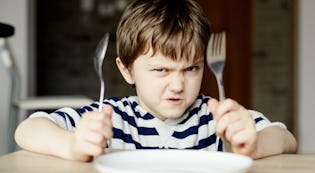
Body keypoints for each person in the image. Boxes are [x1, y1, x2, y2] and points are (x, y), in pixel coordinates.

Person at [14, 0, 297, 162]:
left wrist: (252, 145)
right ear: (126, 70)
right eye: (161, 70)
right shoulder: (112, 117)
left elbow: (286, 138)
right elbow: (27, 129)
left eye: (190, 69)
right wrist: (73, 145)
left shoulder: (215, 116)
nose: (177, 85)